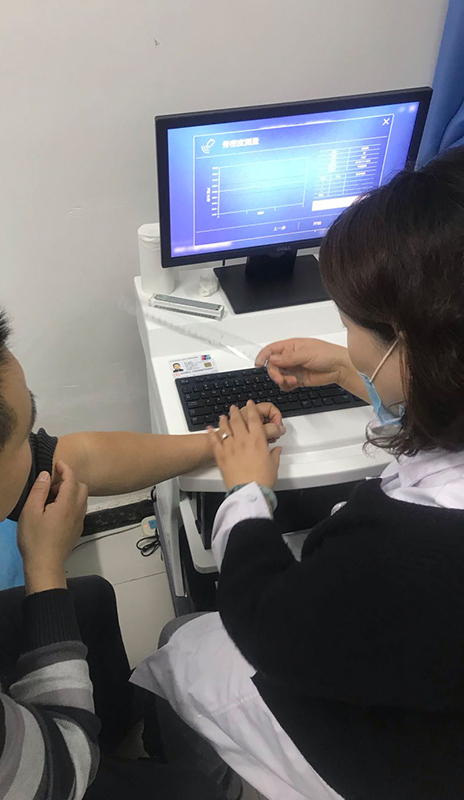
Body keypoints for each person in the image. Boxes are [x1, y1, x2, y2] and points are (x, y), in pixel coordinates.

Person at [0, 282, 284, 799]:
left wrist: (218, 444)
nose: (40, 449)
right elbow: (63, 767)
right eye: (23, 438)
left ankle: (116, 724)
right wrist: (45, 566)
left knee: (91, 601)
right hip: (10, 765)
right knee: (189, 790)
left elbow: (75, 461)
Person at [133, 146, 464, 800]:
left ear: (411, 345)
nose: (350, 345)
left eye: (350, 329)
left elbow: (267, 625)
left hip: (397, 758)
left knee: (180, 650)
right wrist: (351, 371)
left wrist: (247, 494)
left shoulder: (403, 552)